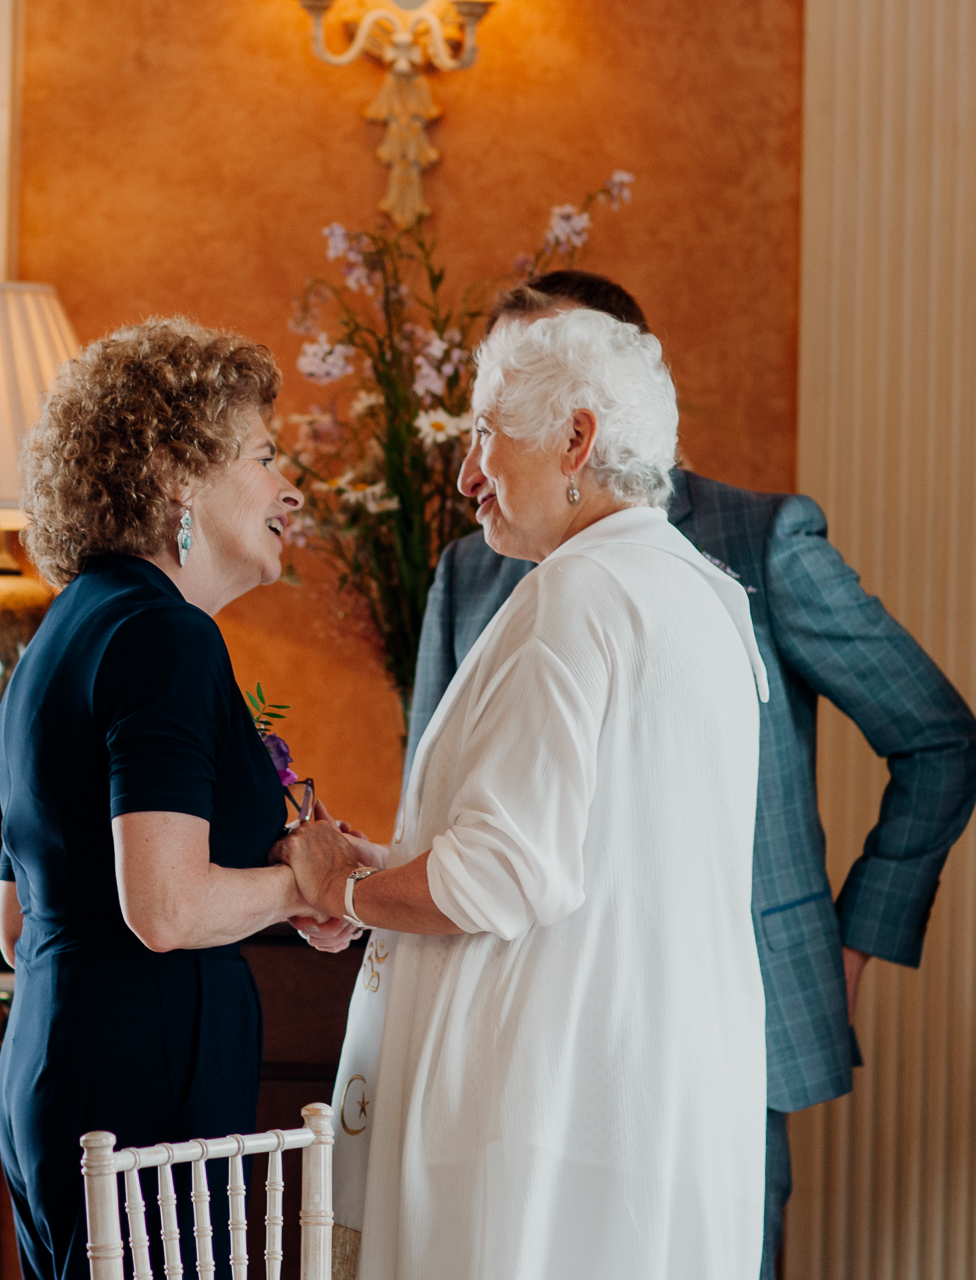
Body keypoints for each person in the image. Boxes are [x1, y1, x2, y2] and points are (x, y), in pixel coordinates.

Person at [402, 271, 976, 1276]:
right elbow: (445, 807)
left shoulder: (759, 542)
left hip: (725, 1015)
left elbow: (938, 737)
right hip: (525, 1045)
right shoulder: (469, 569)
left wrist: (853, 939)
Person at [278, 307, 774, 1278]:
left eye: (486, 433)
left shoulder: (576, 595)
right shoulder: (697, 593)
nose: (467, 473)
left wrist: (341, 888)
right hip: (642, 1101)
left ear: (577, 438)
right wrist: (390, 872)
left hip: (537, 1114)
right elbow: (592, 848)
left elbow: (501, 877)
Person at [0, 317, 320, 1280]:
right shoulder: (165, 637)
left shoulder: (65, 631)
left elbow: (18, 923)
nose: (287, 485)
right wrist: (301, 886)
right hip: (139, 1097)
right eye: (263, 455)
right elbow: (166, 908)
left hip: (56, 1070)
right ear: (178, 473)